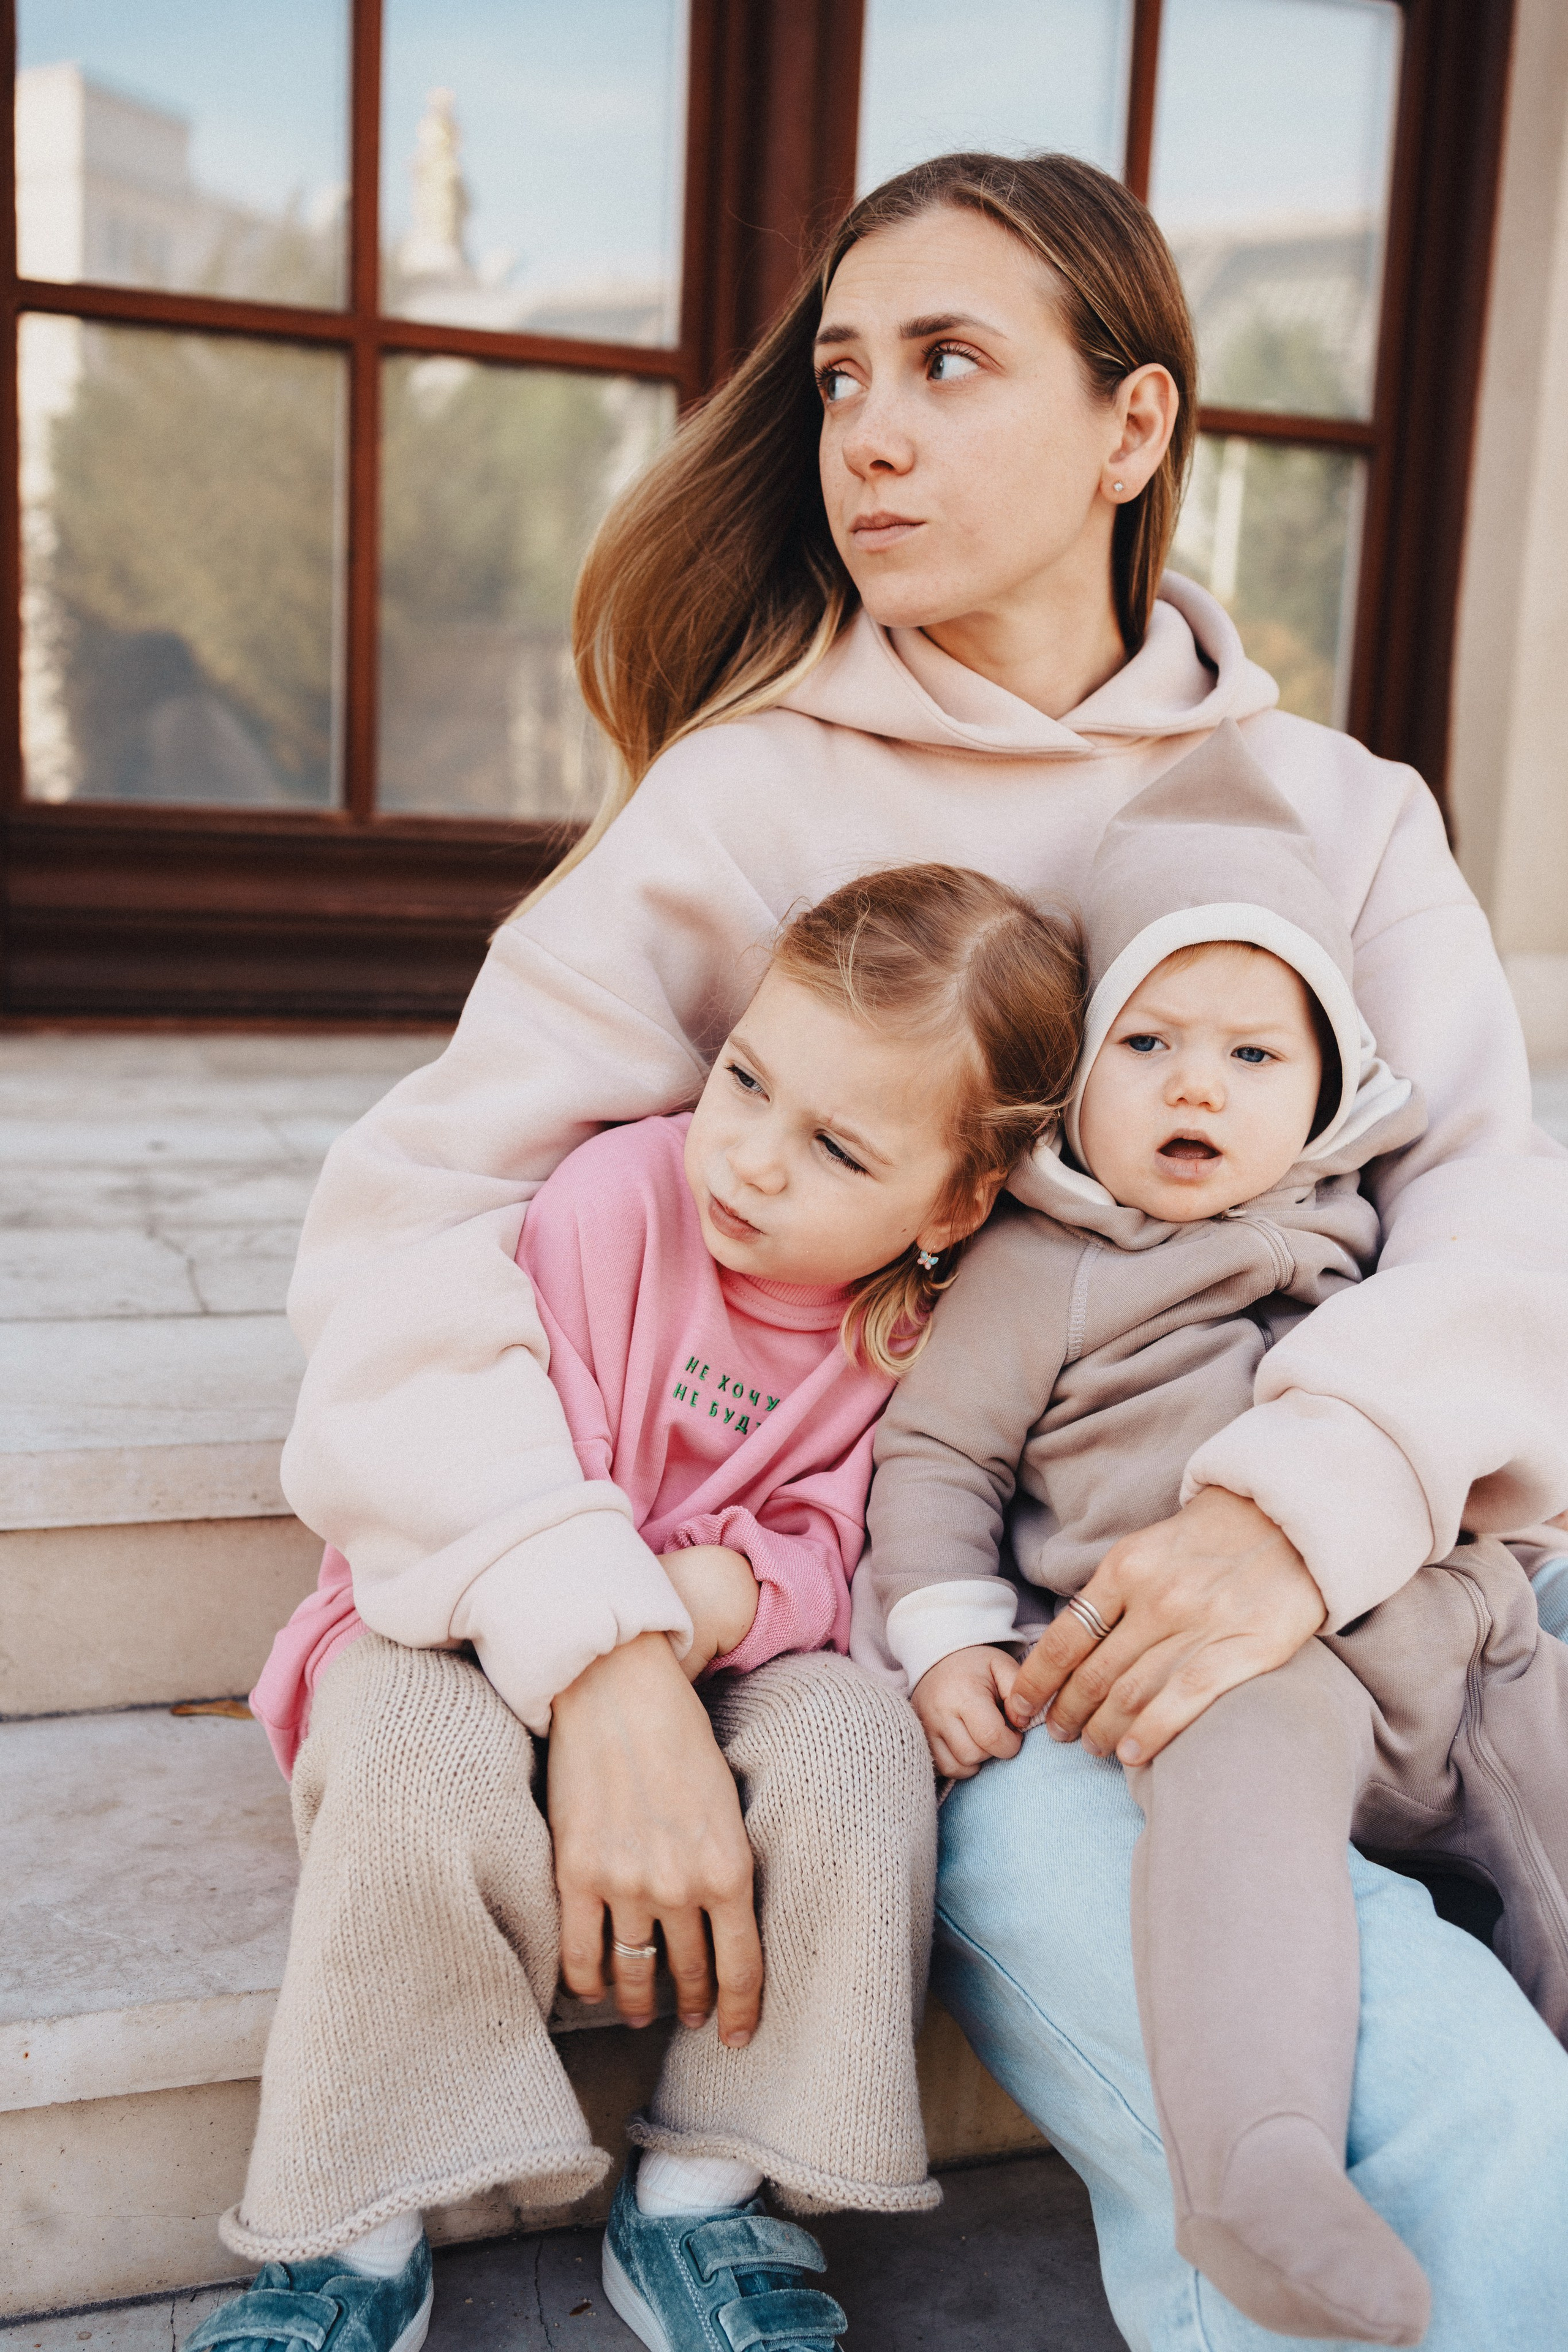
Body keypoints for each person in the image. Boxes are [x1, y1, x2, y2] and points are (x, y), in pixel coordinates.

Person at [200, 148, 1568, 2352]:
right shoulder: (749, 807)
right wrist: (607, 1646)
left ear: (1136, 431)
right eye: (845, 375)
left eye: (948, 363)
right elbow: (413, 1233)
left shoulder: (1339, 810)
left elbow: (1503, 1224)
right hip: (1022, 1685)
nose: (872, 434)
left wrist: (1293, 1517)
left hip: (1402, 1591)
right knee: (1460, 2137)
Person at [225, 867, 1081, 2352]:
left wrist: (732, 1591)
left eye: (832, 1147)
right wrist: (616, 1611)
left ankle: (701, 2192)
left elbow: (862, 1543)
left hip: (739, 1651)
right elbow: (504, 1465)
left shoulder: (929, 1334)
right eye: (744, 1081)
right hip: (477, 1622)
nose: (746, 1160)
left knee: (849, 1752)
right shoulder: (619, 1200)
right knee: (407, 1746)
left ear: (952, 1202)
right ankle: (348, 2234)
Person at [857, 726, 1568, 2346]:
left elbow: (1484, 1327)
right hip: (1237, 1677)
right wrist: (950, 1633)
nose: (1199, 1083)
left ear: (1330, 1092)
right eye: (1153, 1041)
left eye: (1257, 1057)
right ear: (1081, 1073)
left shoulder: (1358, 1228)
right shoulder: (1048, 1267)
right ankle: (1263, 2158)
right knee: (1232, 1836)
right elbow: (936, 1454)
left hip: (1454, 1627)